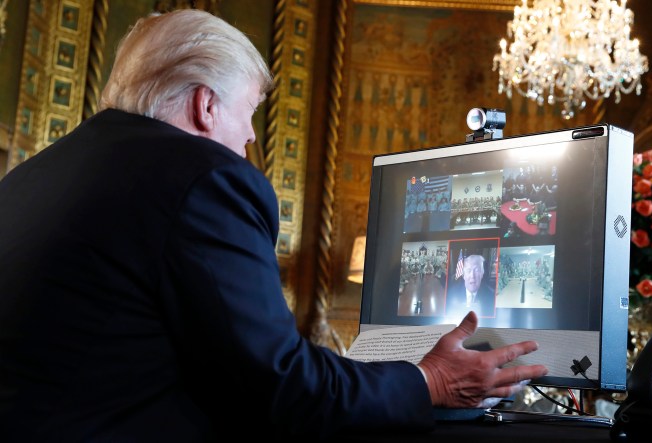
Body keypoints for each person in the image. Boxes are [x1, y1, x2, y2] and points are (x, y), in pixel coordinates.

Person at [0, 9, 547, 441]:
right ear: (206, 105)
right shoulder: (204, 176)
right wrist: (432, 381)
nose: (250, 137)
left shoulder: (33, 175)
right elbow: (282, 386)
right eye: (250, 112)